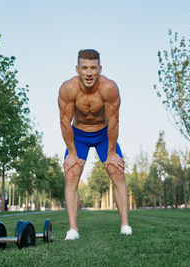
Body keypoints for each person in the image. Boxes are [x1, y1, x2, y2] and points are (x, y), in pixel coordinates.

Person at [58, 49, 132, 240]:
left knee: (117, 171)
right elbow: (65, 122)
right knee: (72, 174)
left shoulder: (109, 88)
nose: (89, 73)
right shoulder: (68, 89)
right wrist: (72, 153)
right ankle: (73, 230)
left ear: (100, 68)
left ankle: (125, 225)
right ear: (77, 69)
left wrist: (112, 152)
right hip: (79, 134)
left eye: (93, 68)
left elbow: (114, 120)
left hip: (103, 133)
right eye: (84, 68)